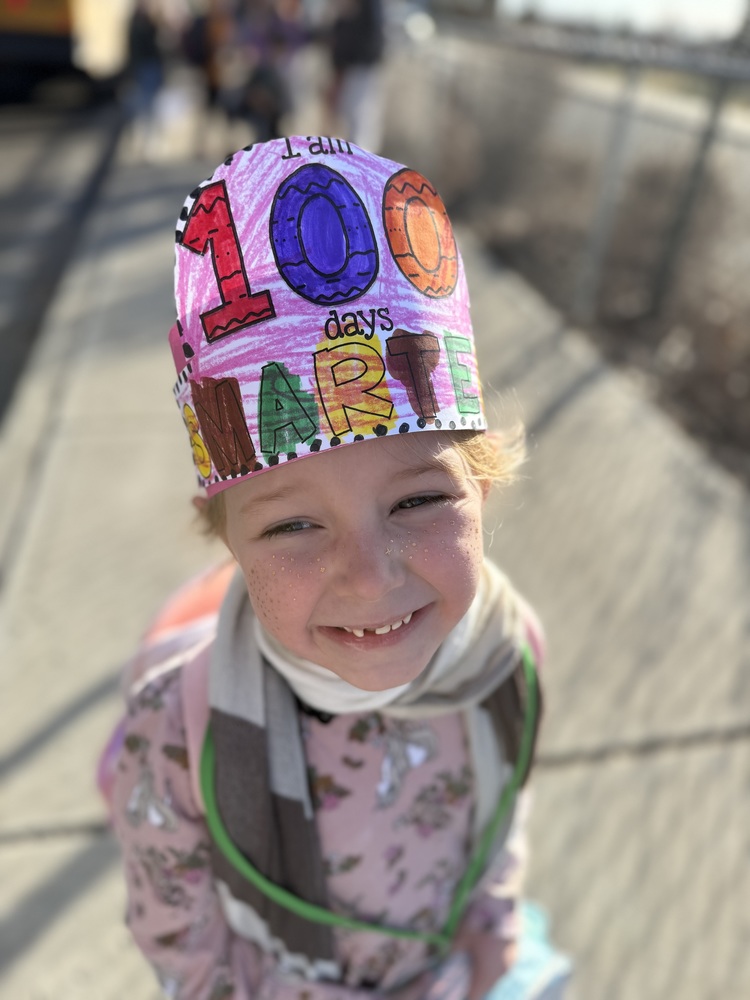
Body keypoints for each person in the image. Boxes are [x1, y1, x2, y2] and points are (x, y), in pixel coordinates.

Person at [103, 136, 562, 1000]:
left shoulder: (507, 654)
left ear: (483, 488)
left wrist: (496, 932)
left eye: (419, 502)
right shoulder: (174, 731)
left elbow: (501, 821)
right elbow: (183, 944)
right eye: (294, 526)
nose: (368, 574)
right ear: (228, 539)